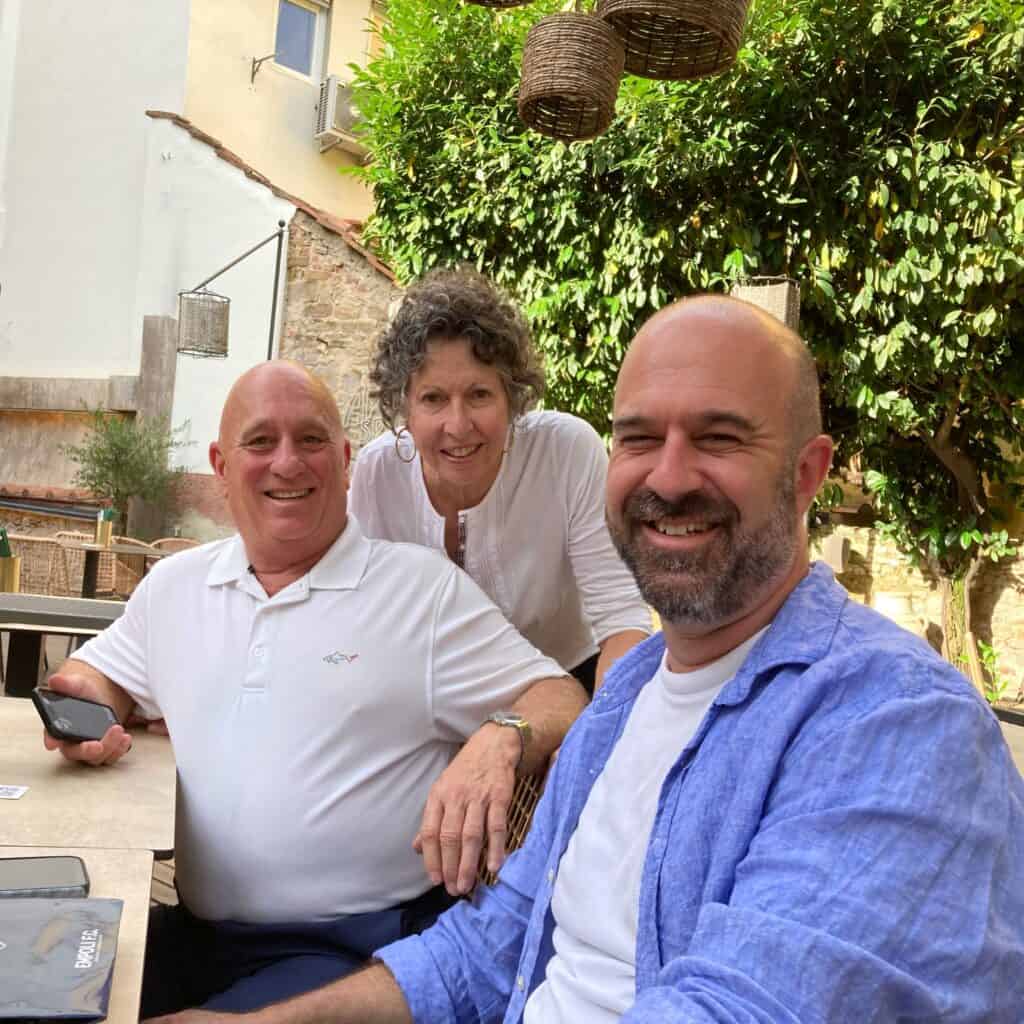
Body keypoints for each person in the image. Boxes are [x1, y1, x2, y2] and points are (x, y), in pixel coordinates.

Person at [150, 296, 1024, 1024]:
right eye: (639, 438)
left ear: (806, 474)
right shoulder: (627, 702)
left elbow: (746, 1008)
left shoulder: (899, 724)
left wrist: (502, 729)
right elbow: (483, 952)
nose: (669, 477)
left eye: (719, 438)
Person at [42, 361, 587, 1015]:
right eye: (261, 441)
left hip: (348, 953)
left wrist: (504, 738)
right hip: (194, 932)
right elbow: (101, 677)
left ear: (346, 459)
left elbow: (561, 695)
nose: (287, 463)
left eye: (310, 440)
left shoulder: (420, 594)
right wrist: (82, 708)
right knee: (35, 984)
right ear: (221, 464)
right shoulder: (176, 588)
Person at [349, 268, 651, 694]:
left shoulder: (566, 452)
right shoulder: (378, 472)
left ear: (512, 398)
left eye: (479, 395)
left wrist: (594, 736)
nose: (457, 425)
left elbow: (623, 622)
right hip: (437, 694)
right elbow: (363, 617)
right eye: (433, 399)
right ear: (405, 409)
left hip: (573, 676)